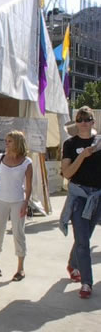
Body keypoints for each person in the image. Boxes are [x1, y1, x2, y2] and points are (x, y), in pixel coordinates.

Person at [60, 106, 101, 299]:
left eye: (87, 119)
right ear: (76, 123)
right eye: (80, 119)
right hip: (79, 196)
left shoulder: (99, 142)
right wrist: (83, 156)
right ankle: (86, 283)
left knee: (84, 237)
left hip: (97, 198)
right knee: (83, 242)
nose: (83, 122)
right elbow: (67, 173)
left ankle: (72, 264)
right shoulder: (70, 144)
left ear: (93, 121)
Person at [0, 130, 32, 282]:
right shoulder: (0, 158)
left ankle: (20, 268)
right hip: (1, 199)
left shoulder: (26, 162)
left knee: (18, 232)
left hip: (18, 200)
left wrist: (26, 203)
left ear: (17, 142)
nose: (7, 143)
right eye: (6, 140)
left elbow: (29, 186)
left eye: (10, 141)